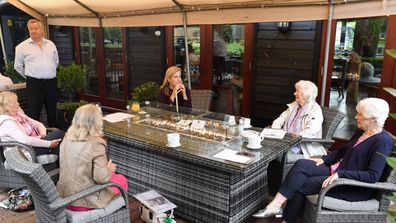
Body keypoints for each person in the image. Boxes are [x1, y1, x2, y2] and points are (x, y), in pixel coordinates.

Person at [253, 98, 392, 223]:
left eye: (360, 114)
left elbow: (372, 176)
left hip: (352, 186)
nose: (356, 117)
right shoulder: (363, 132)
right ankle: (276, 205)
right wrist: (324, 159)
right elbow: (342, 151)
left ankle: (285, 218)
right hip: (338, 169)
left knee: (301, 184)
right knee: (302, 164)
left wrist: (341, 175)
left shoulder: (382, 141)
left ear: (373, 119)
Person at [57, 104, 128, 211]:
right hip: (85, 201)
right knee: (121, 180)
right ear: (96, 122)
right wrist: (109, 169)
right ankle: (114, 215)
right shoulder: (96, 143)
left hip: (65, 198)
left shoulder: (67, 138)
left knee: (113, 177)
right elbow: (101, 178)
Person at [14, 19, 59, 127]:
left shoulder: (51, 44)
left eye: (36, 28)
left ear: (41, 29)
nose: (33, 31)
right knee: (35, 112)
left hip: (51, 83)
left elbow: (56, 62)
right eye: (31, 29)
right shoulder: (21, 47)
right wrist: (31, 76)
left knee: (52, 110)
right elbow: (18, 66)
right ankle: (37, 137)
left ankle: (55, 135)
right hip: (34, 84)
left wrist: (48, 72)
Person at [0, 91, 64, 157]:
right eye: (15, 102)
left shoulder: (19, 115)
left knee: (60, 146)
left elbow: (38, 124)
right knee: (58, 134)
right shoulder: (7, 122)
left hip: (31, 145)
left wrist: (44, 135)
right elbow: (25, 140)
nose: (18, 104)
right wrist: (49, 144)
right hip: (23, 152)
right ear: (8, 106)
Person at [271, 80, 325, 158]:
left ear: (305, 94)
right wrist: (275, 131)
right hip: (283, 140)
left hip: (301, 146)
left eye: (297, 91)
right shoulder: (294, 105)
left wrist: (291, 138)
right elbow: (279, 120)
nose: (294, 93)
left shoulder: (315, 110)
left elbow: (311, 132)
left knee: (272, 152)